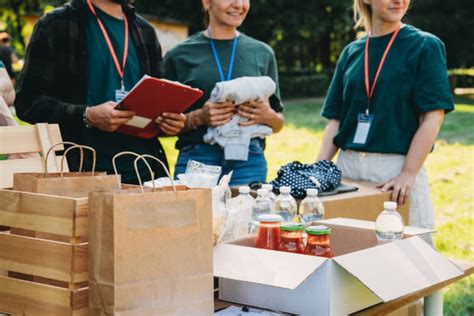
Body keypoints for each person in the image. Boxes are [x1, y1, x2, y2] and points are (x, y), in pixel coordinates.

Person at [317, 0, 454, 244]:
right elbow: (336, 120)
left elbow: (433, 117)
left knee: (411, 260)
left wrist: (408, 173)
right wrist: (317, 171)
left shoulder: (425, 45)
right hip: (347, 169)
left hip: (394, 172)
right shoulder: (352, 52)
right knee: (350, 255)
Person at [15, 0, 186, 184]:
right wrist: (87, 115)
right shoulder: (56, 24)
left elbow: (156, 106)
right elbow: (27, 103)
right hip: (82, 173)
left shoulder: (145, 31)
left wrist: (168, 122)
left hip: (144, 172)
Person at [164, 0, 284, 186]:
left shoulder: (262, 53)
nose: (239, 4)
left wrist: (267, 116)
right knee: (195, 216)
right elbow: (160, 128)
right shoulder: (178, 56)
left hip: (249, 161)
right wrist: (198, 118)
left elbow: (278, 124)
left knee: (246, 215)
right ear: (206, 3)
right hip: (198, 159)